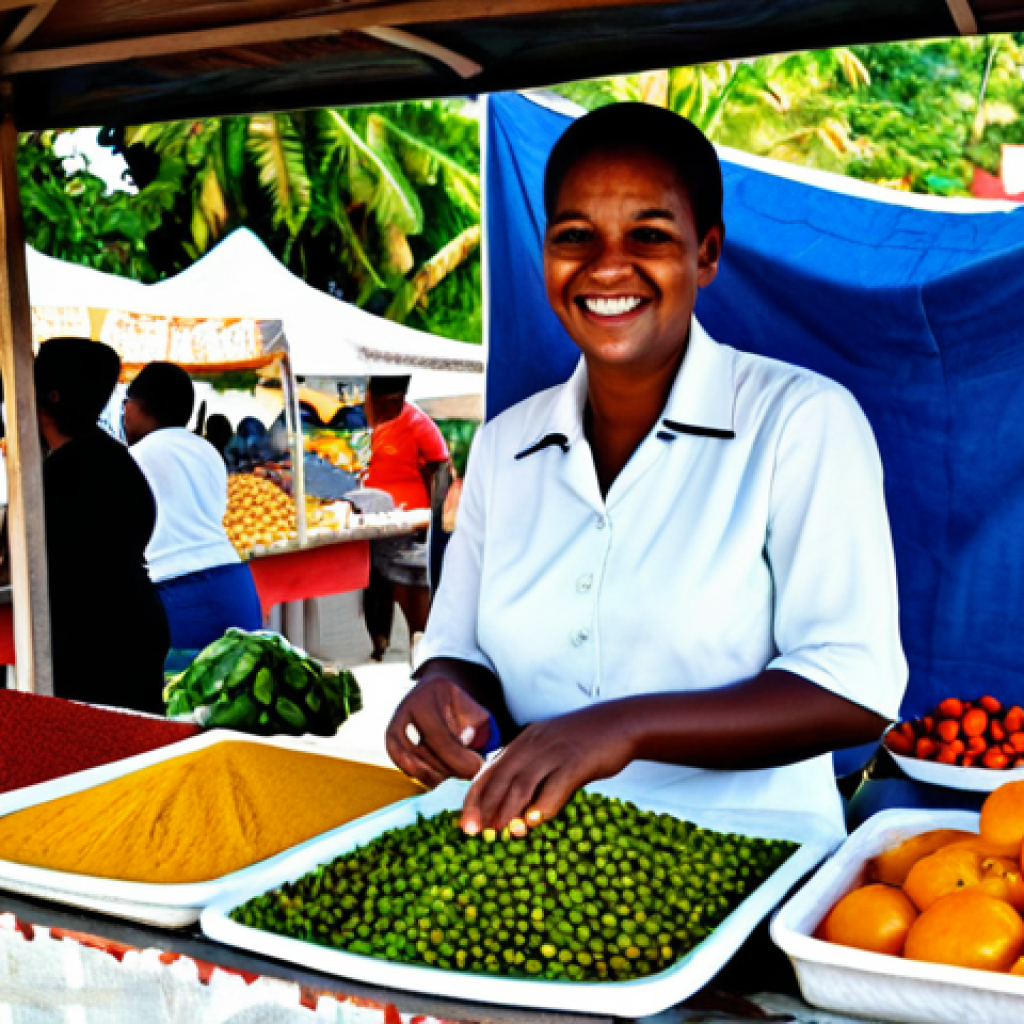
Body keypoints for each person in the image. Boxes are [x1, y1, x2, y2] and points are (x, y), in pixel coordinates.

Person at [386, 103, 907, 839]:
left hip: (755, 860)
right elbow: (459, 651)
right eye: (575, 236)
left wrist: (617, 728)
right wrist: (437, 693)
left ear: (706, 253)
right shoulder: (505, 448)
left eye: (650, 236)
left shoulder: (800, 422)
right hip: (540, 854)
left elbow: (851, 686)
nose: (605, 267)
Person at [35, 338, 169, 713]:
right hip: (132, 629)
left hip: (95, 648)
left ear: (50, 398)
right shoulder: (111, 456)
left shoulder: (61, 474)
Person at [123, 362, 263, 660]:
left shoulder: (132, 459)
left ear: (136, 406)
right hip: (233, 583)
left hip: (174, 595)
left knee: (177, 699)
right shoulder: (207, 451)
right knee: (237, 694)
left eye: (125, 405)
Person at [359, 375, 450, 660]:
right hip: (368, 517)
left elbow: (441, 465)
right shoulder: (365, 423)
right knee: (374, 578)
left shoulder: (416, 422)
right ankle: (379, 640)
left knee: (408, 579)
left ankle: (420, 641)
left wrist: (435, 515)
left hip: (408, 519)